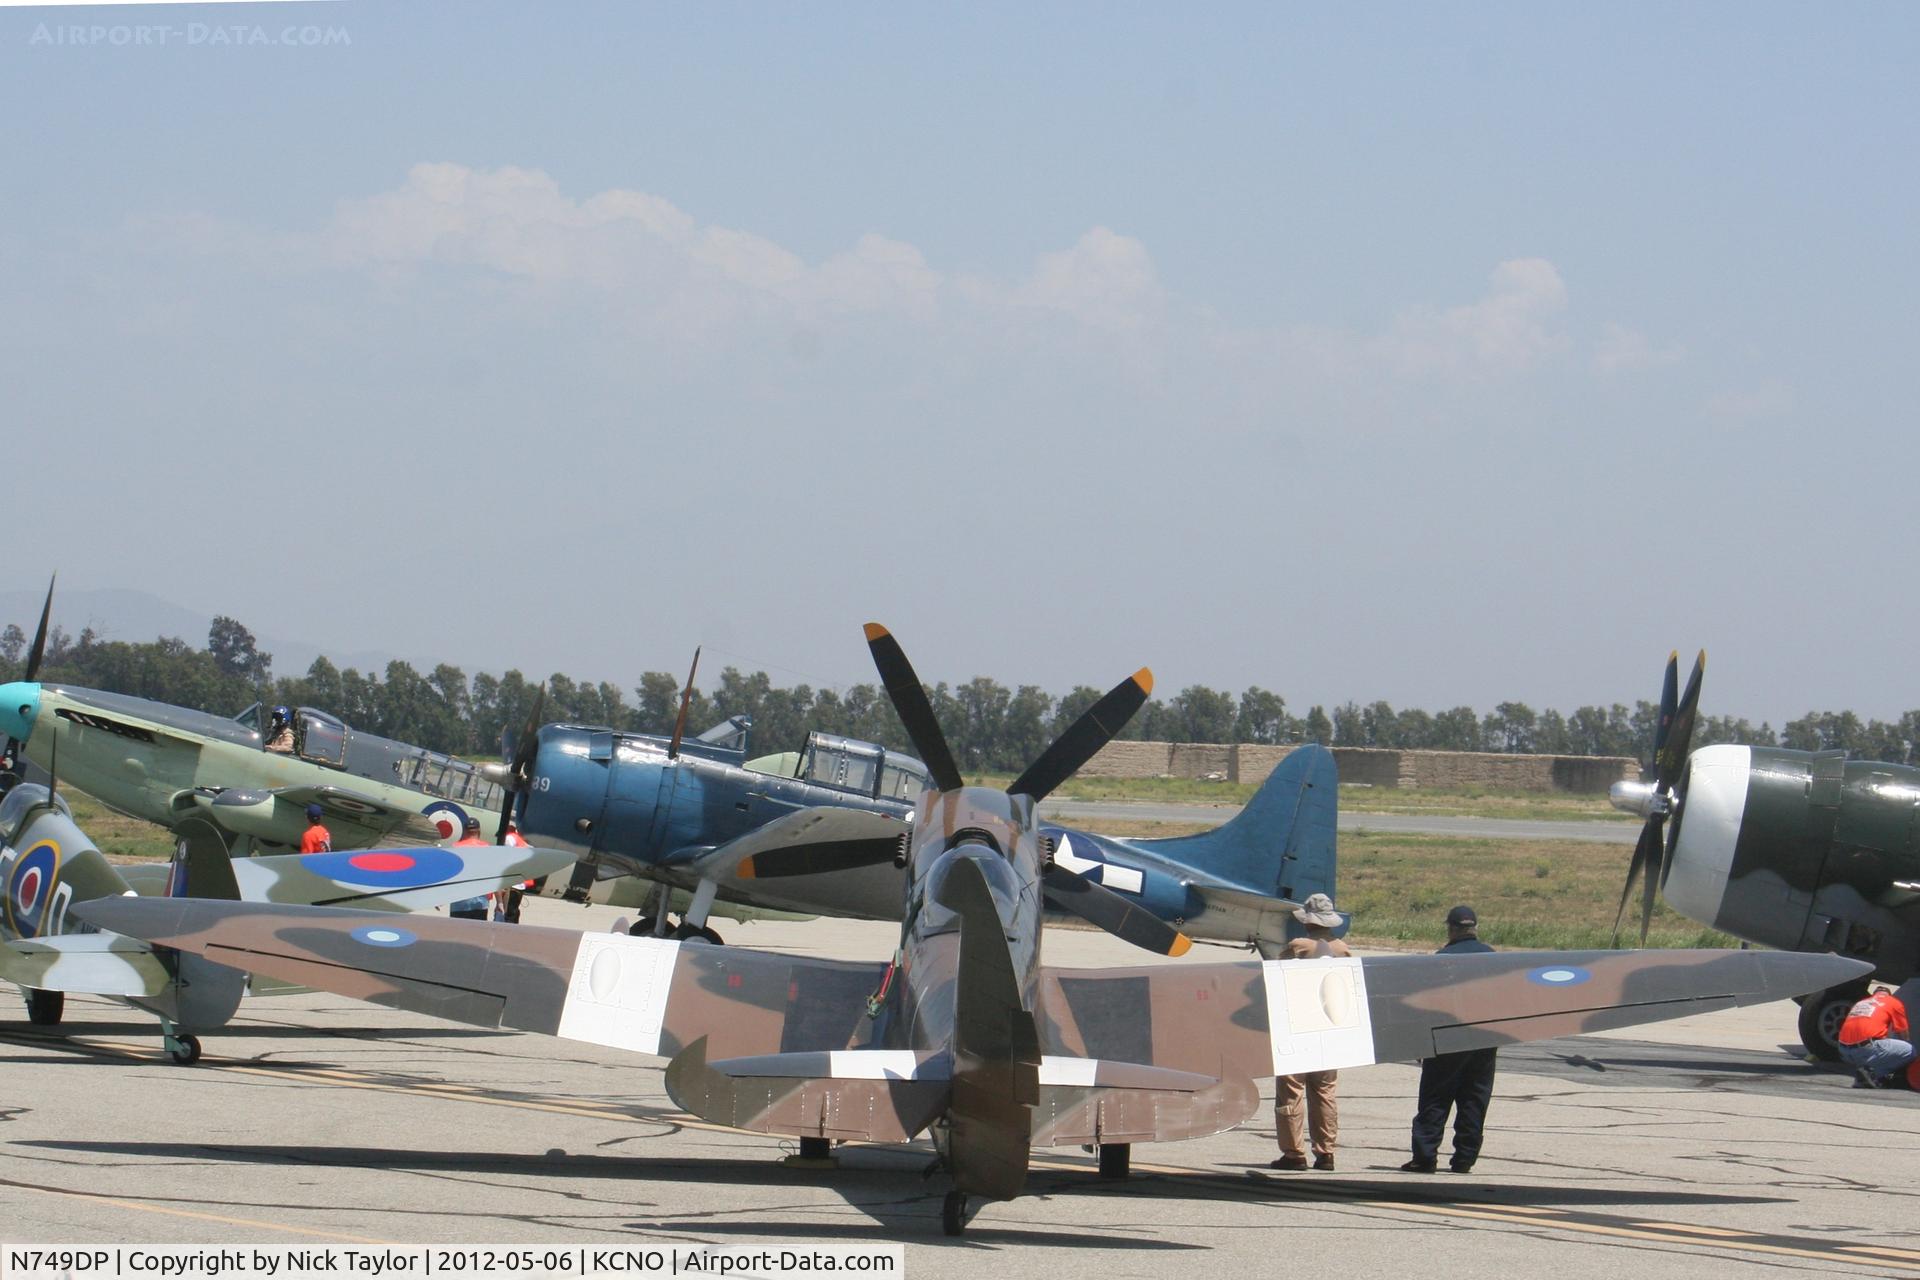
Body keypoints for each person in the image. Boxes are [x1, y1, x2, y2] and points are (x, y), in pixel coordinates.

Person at [1404, 905, 1498, 1173]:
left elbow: (1428, 1003)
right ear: (1475, 928)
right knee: (1474, 1098)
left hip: (1448, 1038)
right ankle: (1464, 1159)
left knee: (1435, 1097)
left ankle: (1425, 1156)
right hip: (1484, 1038)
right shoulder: (1492, 957)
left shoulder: (1442, 958)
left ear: (1452, 928)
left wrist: (1421, 1040)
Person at [1271, 892, 1351, 1172]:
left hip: (1298, 1028)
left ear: (1308, 920)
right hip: (1329, 1030)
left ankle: (1294, 1153)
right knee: (1325, 1091)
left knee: (1291, 1091)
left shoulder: (1297, 946)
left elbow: (1273, 975)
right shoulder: (1343, 949)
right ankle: (1326, 1151)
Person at [1838, 987, 1913, 1088]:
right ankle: (1872, 1073)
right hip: (1865, 1049)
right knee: (1910, 1051)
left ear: (1874, 994)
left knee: (1881, 1044)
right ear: (1888, 994)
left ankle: (1866, 1073)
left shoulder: (1862, 1002)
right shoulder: (1893, 1002)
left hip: (1844, 1050)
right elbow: (1903, 1033)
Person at [450, 816, 491, 920]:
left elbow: (449, 874)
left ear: (464, 831)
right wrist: (500, 902)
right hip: (480, 902)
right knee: (476, 934)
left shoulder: (455, 847)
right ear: (479, 830)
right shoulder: (487, 848)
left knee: (457, 934)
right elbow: (493, 875)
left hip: (459, 901)